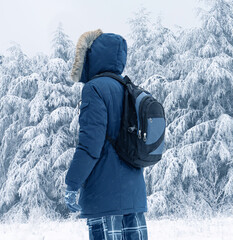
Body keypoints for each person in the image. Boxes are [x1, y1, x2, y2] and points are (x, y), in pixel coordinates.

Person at [64, 30, 148, 240]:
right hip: (134, 196)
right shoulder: (128, 88)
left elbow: (90, 146)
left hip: (104, 197)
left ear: (92, 57)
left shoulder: (95, 89)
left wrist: (72, 183)